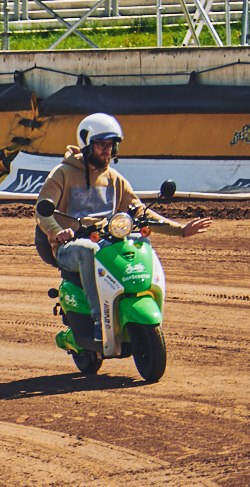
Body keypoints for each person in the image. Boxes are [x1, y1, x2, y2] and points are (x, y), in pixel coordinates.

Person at [36, 113, 211, 345]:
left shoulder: (115, 178)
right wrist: (58, 231)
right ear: (86, 144)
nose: (107, 150)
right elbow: (42, 211)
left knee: (140, 240)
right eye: (101, 144)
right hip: (70, 247)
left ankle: (134, 300)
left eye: (111, 145)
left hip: (105, 240)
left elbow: (141, 212)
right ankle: (99, 322)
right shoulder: (62, 174)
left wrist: (181, 230)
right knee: (88, 250)